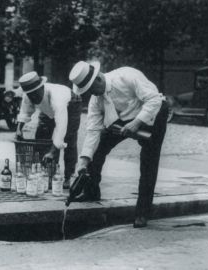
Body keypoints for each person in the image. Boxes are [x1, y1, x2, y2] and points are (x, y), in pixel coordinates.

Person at [69, 61, 168, 228]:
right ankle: (91, 192)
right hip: (121, 120)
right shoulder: (96, 99)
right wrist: (84, 161)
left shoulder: (127, 76)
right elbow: (92, 131)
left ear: (99, 79)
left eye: (91, 89)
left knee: (148, 162)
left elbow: (154, 100)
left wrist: (137, 123)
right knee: (97, 150)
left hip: (153, 113)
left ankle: (142, 213)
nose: (92, 94)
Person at [15, 71, 82, 188]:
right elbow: (25, 111)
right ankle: (46, 174)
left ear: (41, 88)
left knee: (68, 140)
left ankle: (69, 176)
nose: (33, 97)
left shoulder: (57, 98)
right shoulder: (29, 95)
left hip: (71, 103)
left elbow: (61, 127)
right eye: (30, 94)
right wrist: (19, 129)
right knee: (41, 137)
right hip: (47, 110)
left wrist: (52, 151)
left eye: (35, 93)